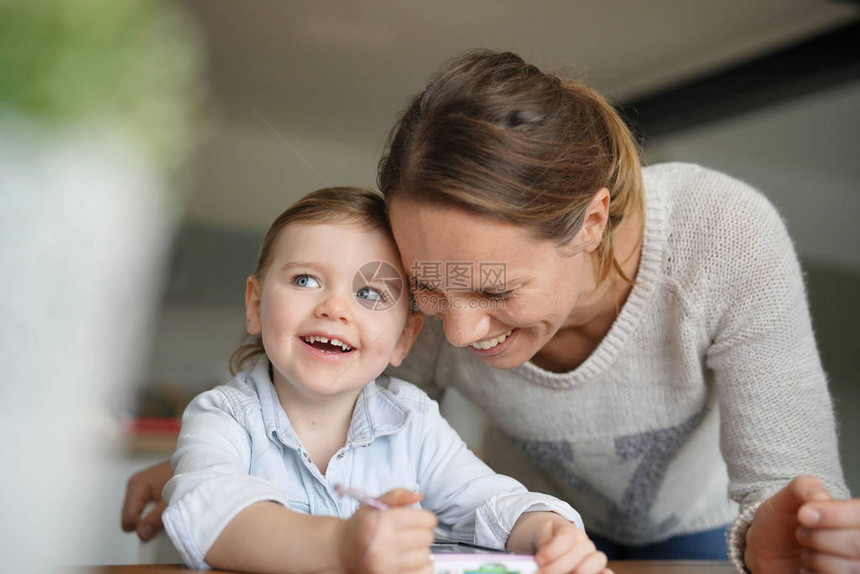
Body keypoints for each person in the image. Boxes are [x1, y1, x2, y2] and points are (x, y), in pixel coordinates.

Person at [123, 51, 859, 573]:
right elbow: (339, 412)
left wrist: (792, 535)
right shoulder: (418, 317)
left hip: (689, 535)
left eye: (497, 291)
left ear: (591, 223)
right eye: (429, 291)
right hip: (527, 547)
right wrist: (200, 469)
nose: (459, 330)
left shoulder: (723, 236)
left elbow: (789, 487)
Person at [157, 186, 611, 574]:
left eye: (369, 293)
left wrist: (548, 530)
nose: (335, 308)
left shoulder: (412, 421)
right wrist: (341, 544)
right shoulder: (222, 416)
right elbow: (207, 515)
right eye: (305, 280)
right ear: (255, 305)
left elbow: (488, 503)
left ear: (404, 339)